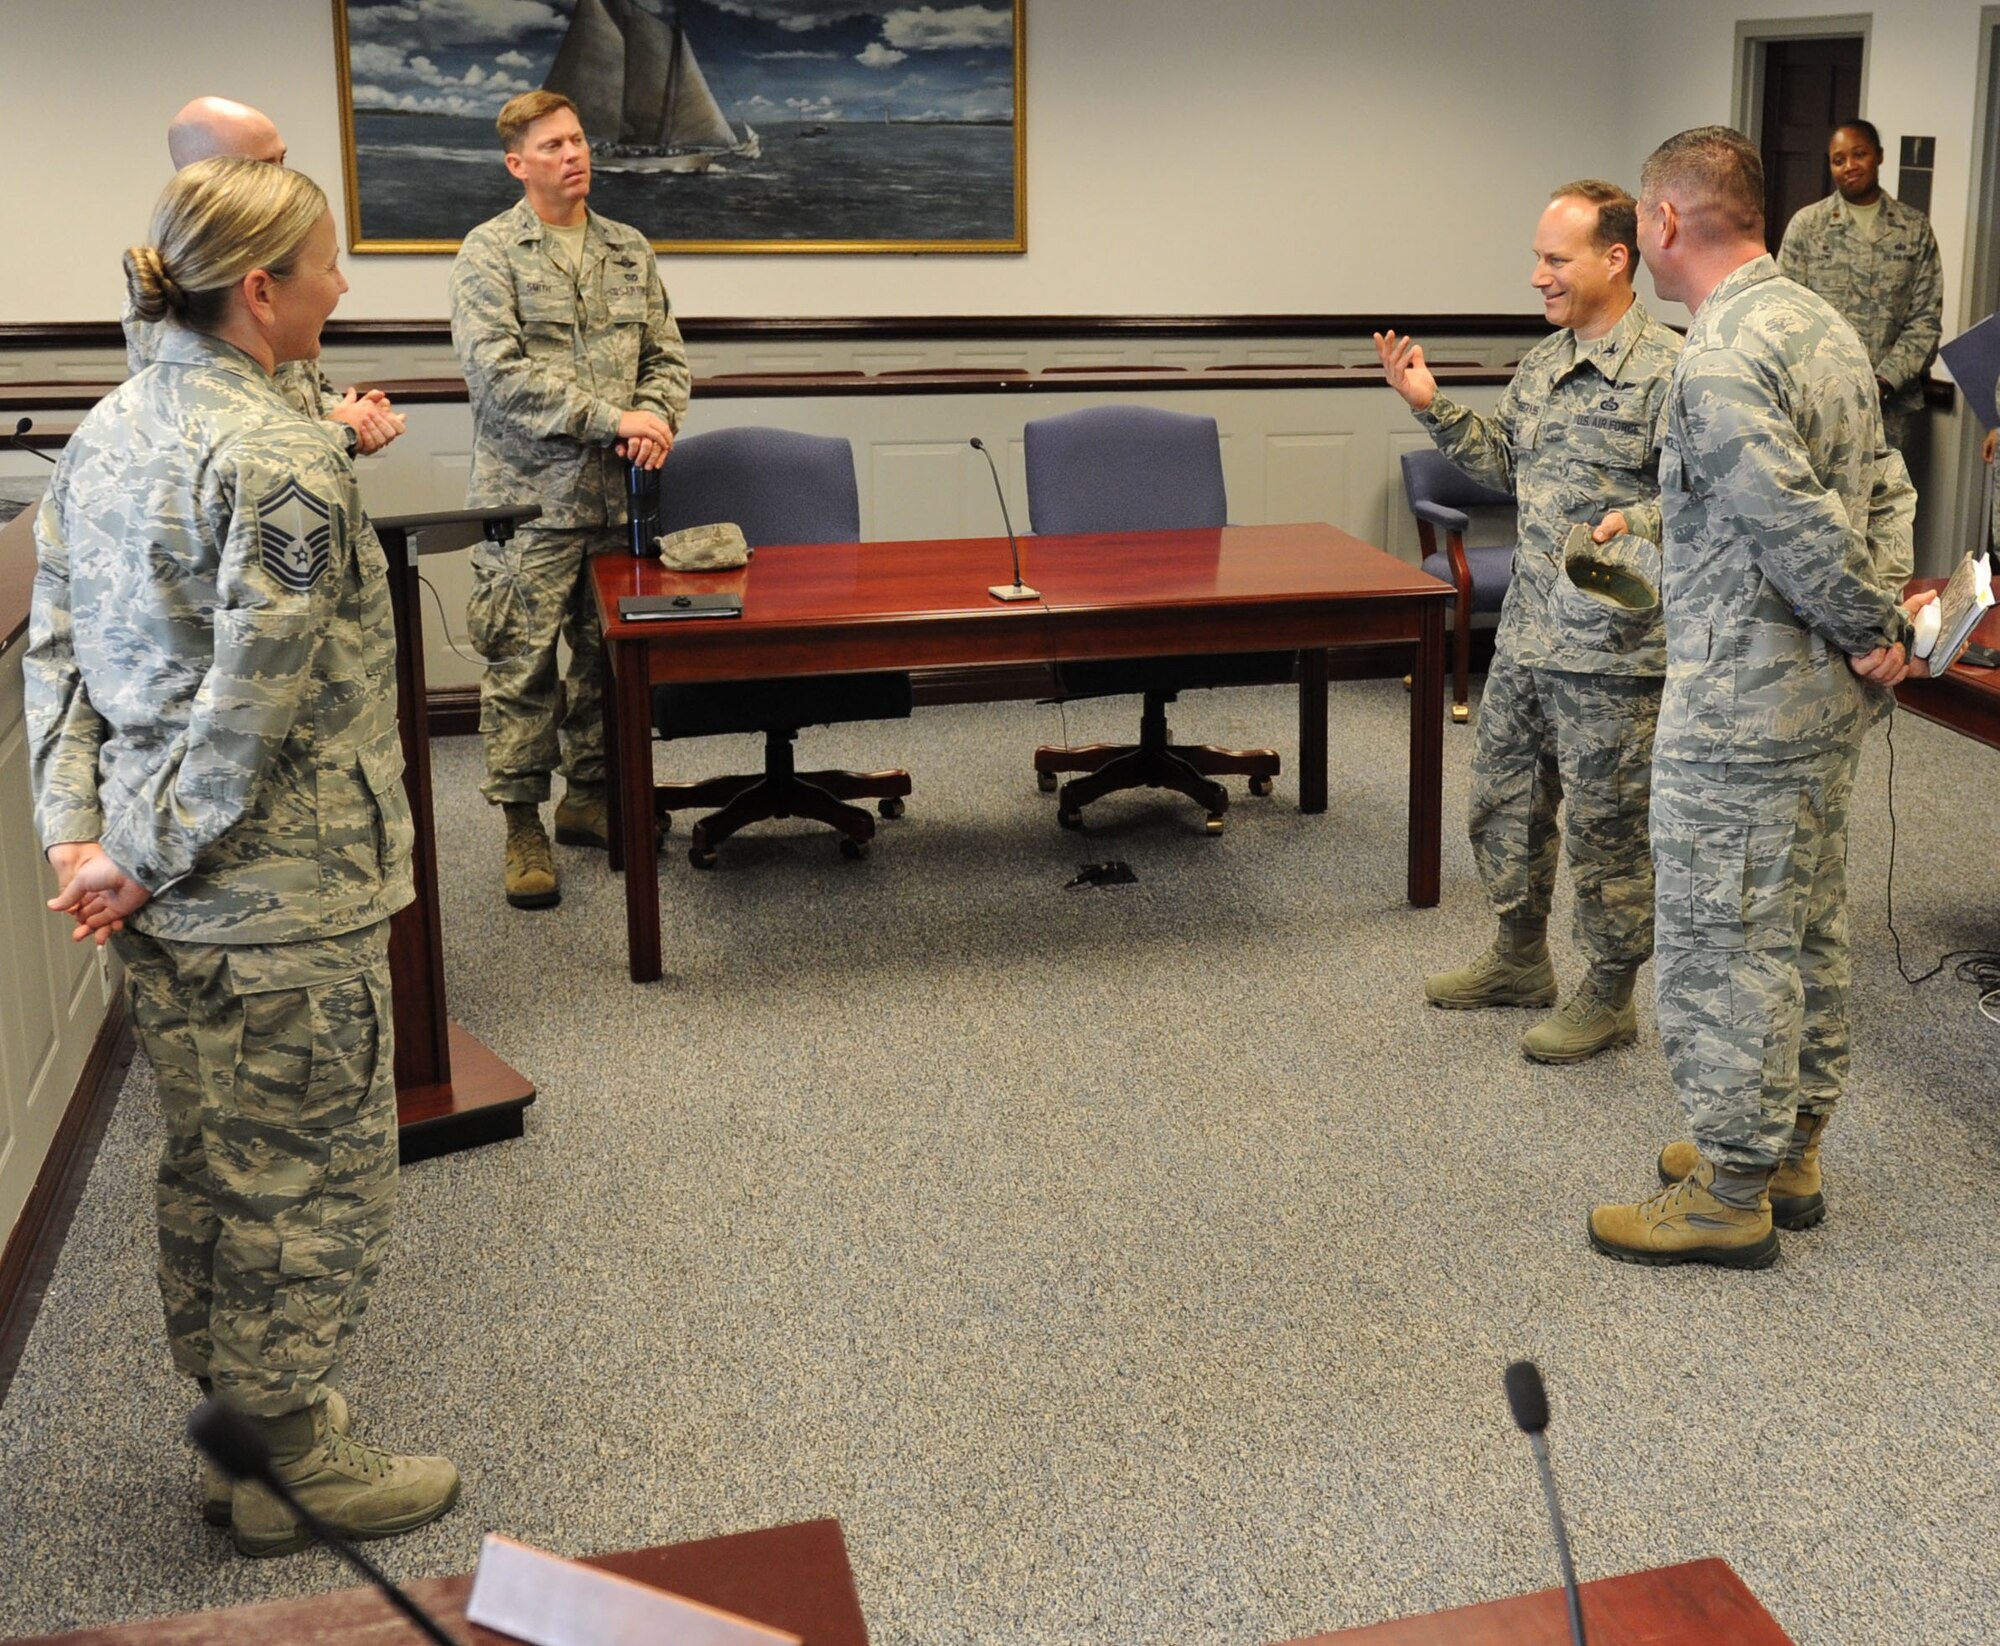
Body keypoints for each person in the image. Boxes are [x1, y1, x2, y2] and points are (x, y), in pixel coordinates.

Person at [25, 156, 459, 1554]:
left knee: (213, 1158)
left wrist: (81, 833)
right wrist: (137, 859)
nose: (345, 285)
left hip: (156, 894)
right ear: (260, 290)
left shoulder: (103, 428)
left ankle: (237, 1430)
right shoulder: (279, 462)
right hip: (277, 896)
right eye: (328, 265)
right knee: (311, 1175)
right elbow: (250, 712)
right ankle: (287, 1461)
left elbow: (57, 653)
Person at [1591, 125, 1934, 1269]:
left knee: (1720, 935)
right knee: (1795, 920)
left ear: (1665, 223)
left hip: (1742, 709)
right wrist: (1877, 620)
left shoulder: (1719, 352)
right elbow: (1887, 485)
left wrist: (1868, 623)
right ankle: (1786, 1143)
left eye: (1639, 220)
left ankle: (1729, 1188)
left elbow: (1788, 520)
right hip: (1819, 706)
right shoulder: (1819, 324)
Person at [1374, 182, 1682, 1064]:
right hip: (1528, 636)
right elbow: (1510, 463)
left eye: (1556, 259)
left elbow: (1701, 501)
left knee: (1607, 827)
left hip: (1615, 653)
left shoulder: (1673, 372)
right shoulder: (1546, 362)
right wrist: (1430, 402)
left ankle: (1611, 992)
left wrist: (1644, 524)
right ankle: (1518, 958)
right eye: (1538, 258)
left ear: (1616, 260)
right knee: (1503, 805)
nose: (1538, 275)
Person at [449, 89, 690, 909]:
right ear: (517, 164)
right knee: (522, 665)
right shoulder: (490, 253)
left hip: (621, 503)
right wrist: (609, 417)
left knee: (605, 663)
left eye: (578, 140)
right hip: (529, 503)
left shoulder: (628, 249)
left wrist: (655, 415)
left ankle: (591, 799)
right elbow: (499, 379)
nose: (573, 155)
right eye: (552, 146)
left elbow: (666, 355)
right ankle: (523, 824)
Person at [123, 96, 404, 458]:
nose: (283, 179)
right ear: (205, 178)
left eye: (282, 160)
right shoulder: (179, 288)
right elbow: (212, 446)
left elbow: (303, 390)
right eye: (263, 167)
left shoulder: (274, 266)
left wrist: (352, 415)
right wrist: (344, 431)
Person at [1777, 119, 1943, 454]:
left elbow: (1925, 321)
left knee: (1884, 504)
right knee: (1821, 504)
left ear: (1879, 156)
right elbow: (1785, 314)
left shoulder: (1914, 229)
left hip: (1891, 409)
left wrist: (1882, 383)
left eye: (1859, 154)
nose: (1849, 166)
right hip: (1818, 404)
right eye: (1838, 160)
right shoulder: (1808, 226)